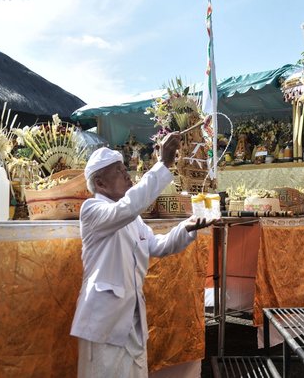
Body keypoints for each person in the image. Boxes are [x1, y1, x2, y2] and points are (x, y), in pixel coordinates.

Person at [70, 131, 217, 377]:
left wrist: (187, 226)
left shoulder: (131, 217)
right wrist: (163, 164)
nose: (127, 174)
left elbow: (158, 246)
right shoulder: (93, 209)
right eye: (118, 170)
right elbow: (130, 205)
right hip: (105, 323)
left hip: (132, 322)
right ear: (100, 184)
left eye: (124, 168)